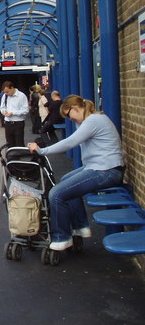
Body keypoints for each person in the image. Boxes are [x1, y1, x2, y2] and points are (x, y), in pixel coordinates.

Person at [28, 95, 124, 251]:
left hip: (106, 171)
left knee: (56, 194)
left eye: (69, 115)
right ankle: (80, 227)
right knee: (66, 180)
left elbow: (70, 142)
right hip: (102, 167)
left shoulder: (93, 121)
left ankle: (62, 238)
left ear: (76, 108)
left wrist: (41, 151)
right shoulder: (91, 119)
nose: (70, 120)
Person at [1, 80, 29, 147]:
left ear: (12, 88)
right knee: (9, 142)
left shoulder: (22, 96)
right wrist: (4, 112)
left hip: (18, 123)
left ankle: (19, 155)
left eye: (7, 92)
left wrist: (13, 113)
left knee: (19, 141)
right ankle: (11, 156)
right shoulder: (5, 96)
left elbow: (26, 110)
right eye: (5, 92)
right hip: (8, 122)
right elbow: (2, 107)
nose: (6, 93)